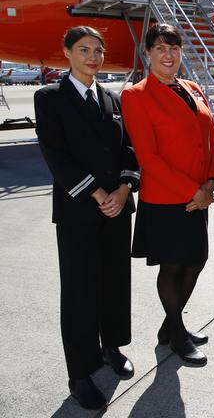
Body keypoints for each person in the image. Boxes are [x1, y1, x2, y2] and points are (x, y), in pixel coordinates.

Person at [34, 26, 140, 410]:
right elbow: (56, 155)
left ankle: (110, 347)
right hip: (79, 209)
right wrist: (98, 193)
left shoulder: (112, 97)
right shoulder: (50, 98)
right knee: (79, 291)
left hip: (116, 207)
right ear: (67, 52)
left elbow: (129, 149)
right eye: (84, 50)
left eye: (98, 50)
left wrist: (124, 191)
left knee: (114, 281)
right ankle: (79, 372)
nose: (93, 57)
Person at [121, 24, 214, 365]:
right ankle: (177, 335)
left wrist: (210, 182)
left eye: (174, 48)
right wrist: (192, 190)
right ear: (147, 53)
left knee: (196, 260)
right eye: (161, 48)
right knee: (174, 264)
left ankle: (170, 326)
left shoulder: (192, 88)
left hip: (200, 196)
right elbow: (148, 157)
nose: (169, 55)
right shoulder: (136, 95)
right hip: (166, 198)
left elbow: (213, 138)